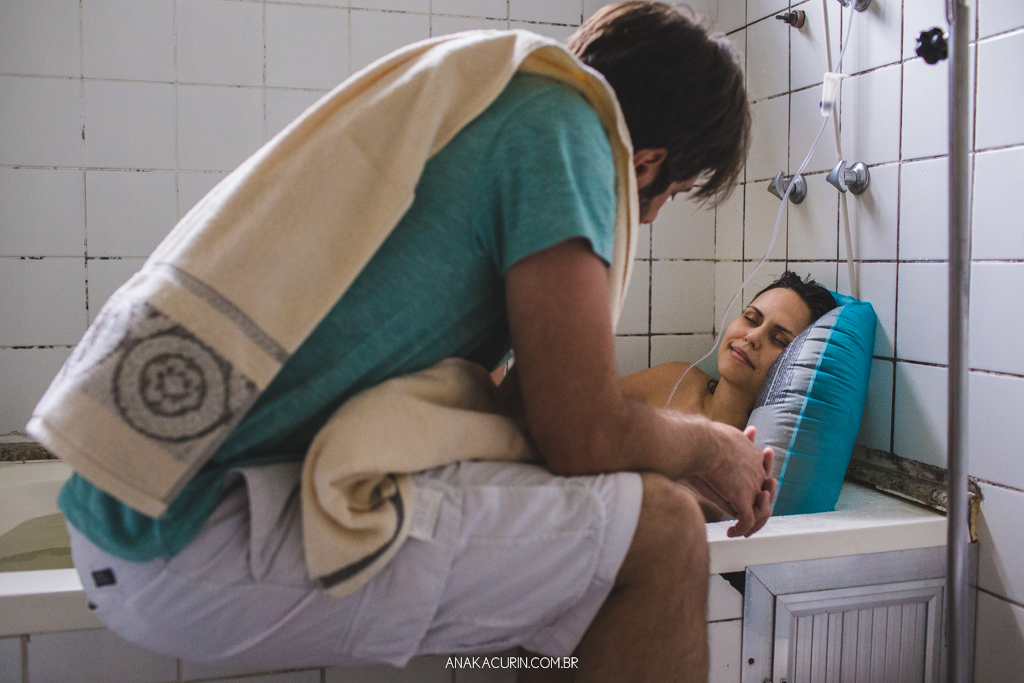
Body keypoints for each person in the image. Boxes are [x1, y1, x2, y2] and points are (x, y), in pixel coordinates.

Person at [54, 4, 771, 682]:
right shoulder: (567, 133)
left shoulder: (499, 101)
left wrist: (680, 465)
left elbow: (535, 433)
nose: (649, 214)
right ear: (645, 162)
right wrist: (712, 449)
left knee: (589, 549)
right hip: (187, 531)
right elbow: (577, 434)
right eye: (669, 195)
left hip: (128, 500)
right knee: (664, 533)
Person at [619, 271, 837, 520]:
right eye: (751, 319)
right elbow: (579, 422)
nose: (752, 337)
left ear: (794, 364)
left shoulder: (757, 454)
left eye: (778, 339)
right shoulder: (675, 379)